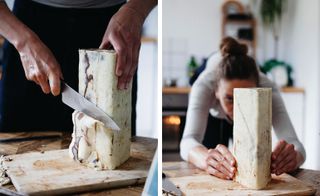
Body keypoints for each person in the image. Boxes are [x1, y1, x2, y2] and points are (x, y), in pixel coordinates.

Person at [0, 0, 157, 133]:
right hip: (27, 31)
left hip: (112, 32)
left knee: (112, 148)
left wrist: (136, 10)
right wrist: (23, 42)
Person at [180, 37, 306, 180]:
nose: (238, 109)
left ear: (258, 88)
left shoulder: (268, 88)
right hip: (213, 116)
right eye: (230, 98)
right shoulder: (203, 86)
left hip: (248, 111)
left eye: (246, 97)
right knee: (215, 163)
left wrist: (293, 157)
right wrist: (206, 158)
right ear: (216, 91)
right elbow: (188, 141)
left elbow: (295, 143)